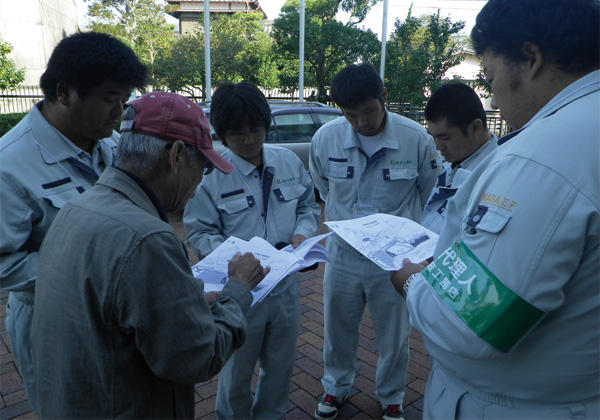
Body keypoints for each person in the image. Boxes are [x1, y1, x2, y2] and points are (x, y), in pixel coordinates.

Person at [391, 0, 600, 418]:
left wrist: (414, 283)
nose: (493, 95)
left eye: (489, 76)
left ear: (530, 58)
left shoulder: (545, 154)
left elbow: (473, 321)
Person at [32, 91, 270, 419]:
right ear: (175, 155)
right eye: (203, 166)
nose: (200, 181)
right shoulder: (148, 239)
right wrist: (238, 289)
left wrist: (187, 305)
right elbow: (199, 357)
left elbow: (116, 311)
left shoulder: (77, 207)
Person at [0, 31, 147, 414]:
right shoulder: (9, 166)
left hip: (114, 307)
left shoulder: (109, 145)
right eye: (110, 98)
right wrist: (85, 271)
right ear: (65, 92)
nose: (120, 112)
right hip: (51, 314)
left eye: (124, 99)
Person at [309, 63, 440, 420]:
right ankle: (335, 387)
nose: (362, 123)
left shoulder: (416, 139)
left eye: (368, 111)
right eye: (351, 115)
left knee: (394, 334)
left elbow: (429, 195)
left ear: (383, 97)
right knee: (337, 328)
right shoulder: (327, 138)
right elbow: (323, 188)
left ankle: (392, 395)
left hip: (395, 262)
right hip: (343, 257)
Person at [183, 81, 321, 420]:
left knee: (281, 368)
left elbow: (307, 205)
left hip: (285, 287)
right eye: (238, 133)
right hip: (241, 295)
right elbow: (199, 231)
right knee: (236, 373)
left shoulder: (287, 162)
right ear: (222, 133)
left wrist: (303, 234)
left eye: (256, 129)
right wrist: (232, 262)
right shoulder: (210, 176)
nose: (249, 139)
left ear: (266, 124)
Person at [421, 82, 498, 234]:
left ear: (475, 128)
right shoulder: (451, 166)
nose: (438, 146)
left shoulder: (495, 176)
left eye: (445, 138)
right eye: (434, 137)